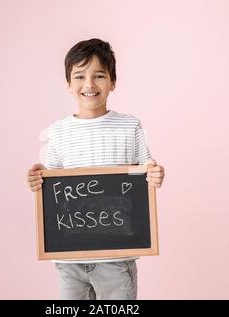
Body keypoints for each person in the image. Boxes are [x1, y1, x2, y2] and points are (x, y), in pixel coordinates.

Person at [27, 38, 165, 300]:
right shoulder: (58, 131)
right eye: (79, 76)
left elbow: (146, 170)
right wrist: (37, 178)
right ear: (69, 84)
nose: (89, 84)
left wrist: (155, 174)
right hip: (70, 257)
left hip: (116, 257)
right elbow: (52, 182)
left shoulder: (129, 126)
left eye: (99, 75)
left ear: (112, 81)